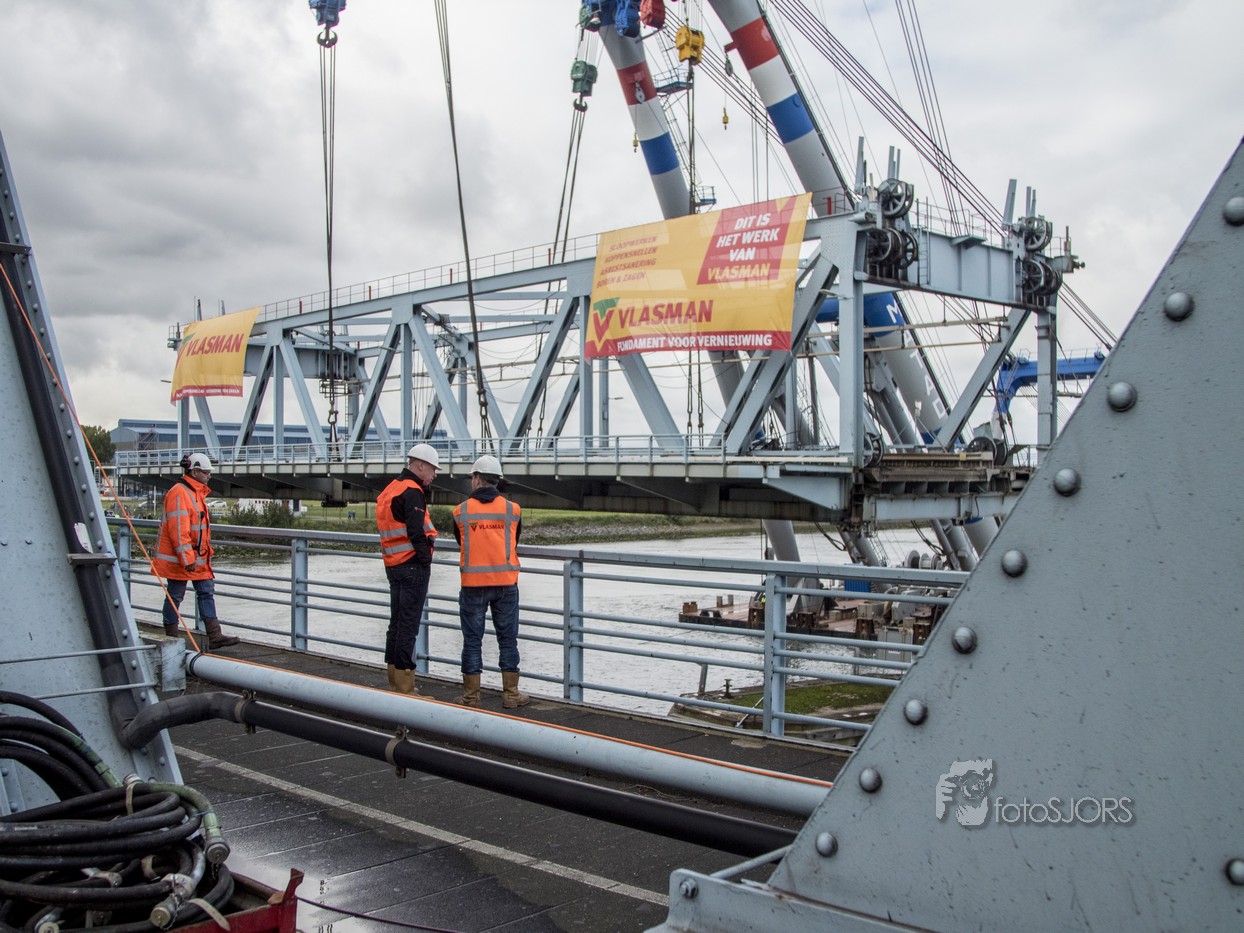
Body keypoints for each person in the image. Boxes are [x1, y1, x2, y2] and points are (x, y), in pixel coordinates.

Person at [452, 454, 528, 708]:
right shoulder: (512, 509)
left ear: (476, 479)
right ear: (497, 480)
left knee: (472, 641)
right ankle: (511, 694)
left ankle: (471, 697)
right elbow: (514, 540)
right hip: (506, 583)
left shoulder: (461, 511)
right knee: (507, 639)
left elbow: (461, 542)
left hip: (473, 585)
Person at [152, 453, 240, 650]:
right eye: (206, 472)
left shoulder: (195, 493)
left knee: (206, 592)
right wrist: (187, 558)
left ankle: (214, 635)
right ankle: (171, 636)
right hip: (182, 559)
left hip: (196, 559)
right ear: (194, 472)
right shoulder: (180, 493)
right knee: (175, 595)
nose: (209, 476)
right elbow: (178, 530)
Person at [376, 443, 440, 695]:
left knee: (396, 624)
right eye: (433, 469)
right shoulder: (413, 491)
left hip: (393, 564)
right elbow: (416, 532)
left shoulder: (391, 488)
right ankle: (406, 688)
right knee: (408, 627)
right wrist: (426, 561)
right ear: (420, 465)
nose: (434, 474)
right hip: (412, 566)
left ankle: (394, 683)